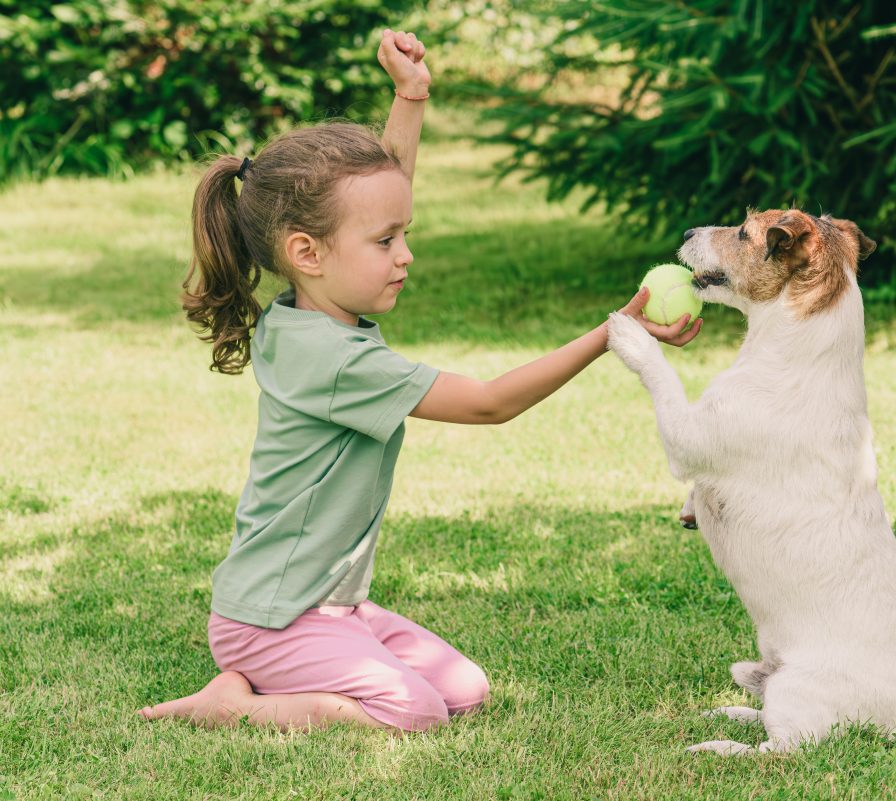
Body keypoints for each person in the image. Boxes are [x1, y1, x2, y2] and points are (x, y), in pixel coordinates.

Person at [137, 28, 701, 734]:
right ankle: (238, 702)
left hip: (329, 604)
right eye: (386, 242)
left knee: (467, 689)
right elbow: (491, 404)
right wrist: (612, 331)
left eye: (402, 233)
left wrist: (410, 96)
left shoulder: (309, 312)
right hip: (271, 617)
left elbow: (378, 195)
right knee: (416, 711)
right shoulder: (337, 360)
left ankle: (294, 663)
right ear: (306, 253)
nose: (406, 253)